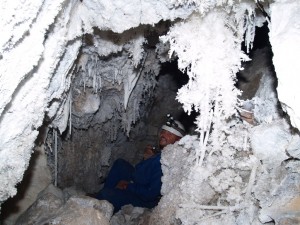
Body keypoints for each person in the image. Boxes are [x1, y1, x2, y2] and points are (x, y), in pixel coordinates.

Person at [95, 115, 186, 213]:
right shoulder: (163, 153)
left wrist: (127, 186)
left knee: (107, 194)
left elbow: (150, 194)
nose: (163, 135)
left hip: (147, 201)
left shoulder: (167, 161)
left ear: (178, 140)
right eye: (163, 132)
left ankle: (104, 203)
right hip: (141, 181)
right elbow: (145, 172)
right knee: (120, 165)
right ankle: (101, 197)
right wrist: (148, 159)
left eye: (170, 134)